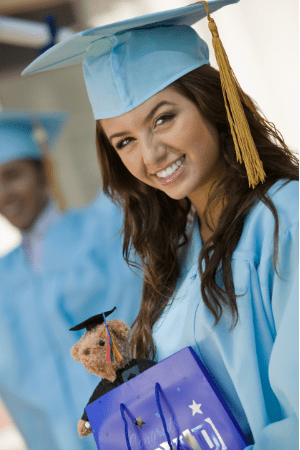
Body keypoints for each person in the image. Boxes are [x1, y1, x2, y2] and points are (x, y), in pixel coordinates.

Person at [22, 0, 299, 449]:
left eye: (164, 118)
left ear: (213, 102)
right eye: (125, 141)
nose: (150, 156)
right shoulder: (180, 247)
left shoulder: (284, 221)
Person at [0, 110, 143, 450]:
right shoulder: (4, 277)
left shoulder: (100, 231)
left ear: (44, 172)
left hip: (134, 428)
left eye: (12, 175)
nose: (4, 193)